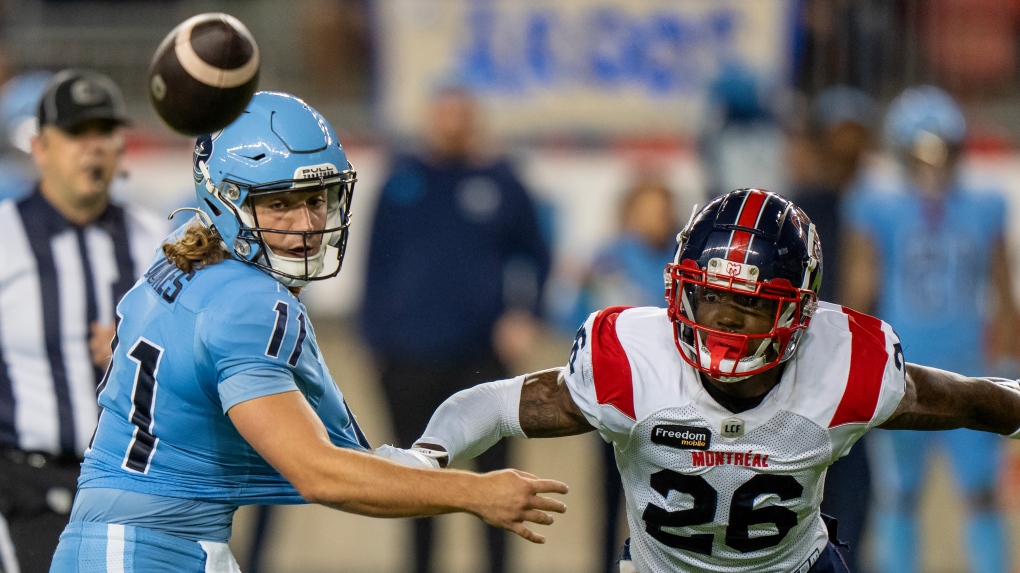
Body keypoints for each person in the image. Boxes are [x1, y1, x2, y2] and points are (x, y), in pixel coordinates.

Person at [48, 91, 567, 572]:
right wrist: (474, 494)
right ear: (226, 200)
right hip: (144, 550)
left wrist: (455, 436)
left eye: (317, 199)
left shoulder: (188, 259)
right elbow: (319, 473)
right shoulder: (248, 301)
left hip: (150, 540)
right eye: (279, 203)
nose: (306, 225)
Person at [408, 187, 1020, 573]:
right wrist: (426, 456)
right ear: (681, 290)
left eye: (749, 305)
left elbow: (971, 399)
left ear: (798, 314)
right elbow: (494, 404)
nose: (725, 319)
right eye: (710, 298)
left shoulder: (844, 365)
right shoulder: (633, 360)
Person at [359, 85, 551, 573]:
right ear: (429, 120)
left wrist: (527, 314)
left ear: (474, 121)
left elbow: (538, 254)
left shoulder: (501, 181)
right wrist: (373, 336)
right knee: (417, 485)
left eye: (460, 116)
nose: (451, 125)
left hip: (481, 359)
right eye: (442, 116)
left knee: (497, 484)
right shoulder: (401, 180)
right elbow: (374, 263)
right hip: (408, 359)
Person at [842, 86, 1017, 573]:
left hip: (966, 366)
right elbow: (863, 287)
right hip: (906, 370)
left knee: (979, 492)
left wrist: (1009, 359)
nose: (932, 164)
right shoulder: (877, 206)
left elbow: (1003, 291)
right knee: (900, 494)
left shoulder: (983, 205)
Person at [0, 69, 169, 573]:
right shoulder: (5, 237)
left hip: (133, 487)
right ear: (41, 146)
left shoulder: (155, 243)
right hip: (24, 492)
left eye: (105, 133)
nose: (92, 148)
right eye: (77, 133)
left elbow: (200, 367)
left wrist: (148, 350)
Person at [557, 180, 679, 573]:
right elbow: (574, 319)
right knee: (612, 496)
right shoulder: (606, 261)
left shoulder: (682, 263)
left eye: (661, 209)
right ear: (629, 212)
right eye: (647, 208)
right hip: (616, 399)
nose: (656, 219)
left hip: (674, 403)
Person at [787, 86, 879, 571]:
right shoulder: (801, 210)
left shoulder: (875, 207)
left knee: (853, 504)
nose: (850, 152)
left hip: (853, 374)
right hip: (807, 371)